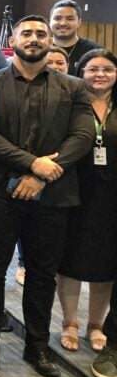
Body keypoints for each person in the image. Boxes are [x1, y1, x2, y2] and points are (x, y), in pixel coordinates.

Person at [0, 15, 94, 377]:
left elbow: (81, 138)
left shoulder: (73, 88)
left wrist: (42, 175)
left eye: (42, 33)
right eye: (28, 33)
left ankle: (37, 347)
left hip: (53, 194)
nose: (35, 38)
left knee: (42, 273)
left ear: (51, 40)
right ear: (14, 38)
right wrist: (33, 164)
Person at [57, 50, 117, 353]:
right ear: (80, 73)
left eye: (107, 69)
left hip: (111, 196)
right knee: (70, 257)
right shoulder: (70, 104)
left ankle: (96, 324)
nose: (100, 74)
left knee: (106, 261)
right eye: (93, 69)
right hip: (73, 190)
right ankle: (69, 322)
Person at [50, 0, 102, 75]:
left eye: (70, 19)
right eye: (57, 18)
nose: (63, 23)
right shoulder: (40, 49)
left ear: (79, 22)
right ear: (50, 22)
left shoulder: (94, 51)